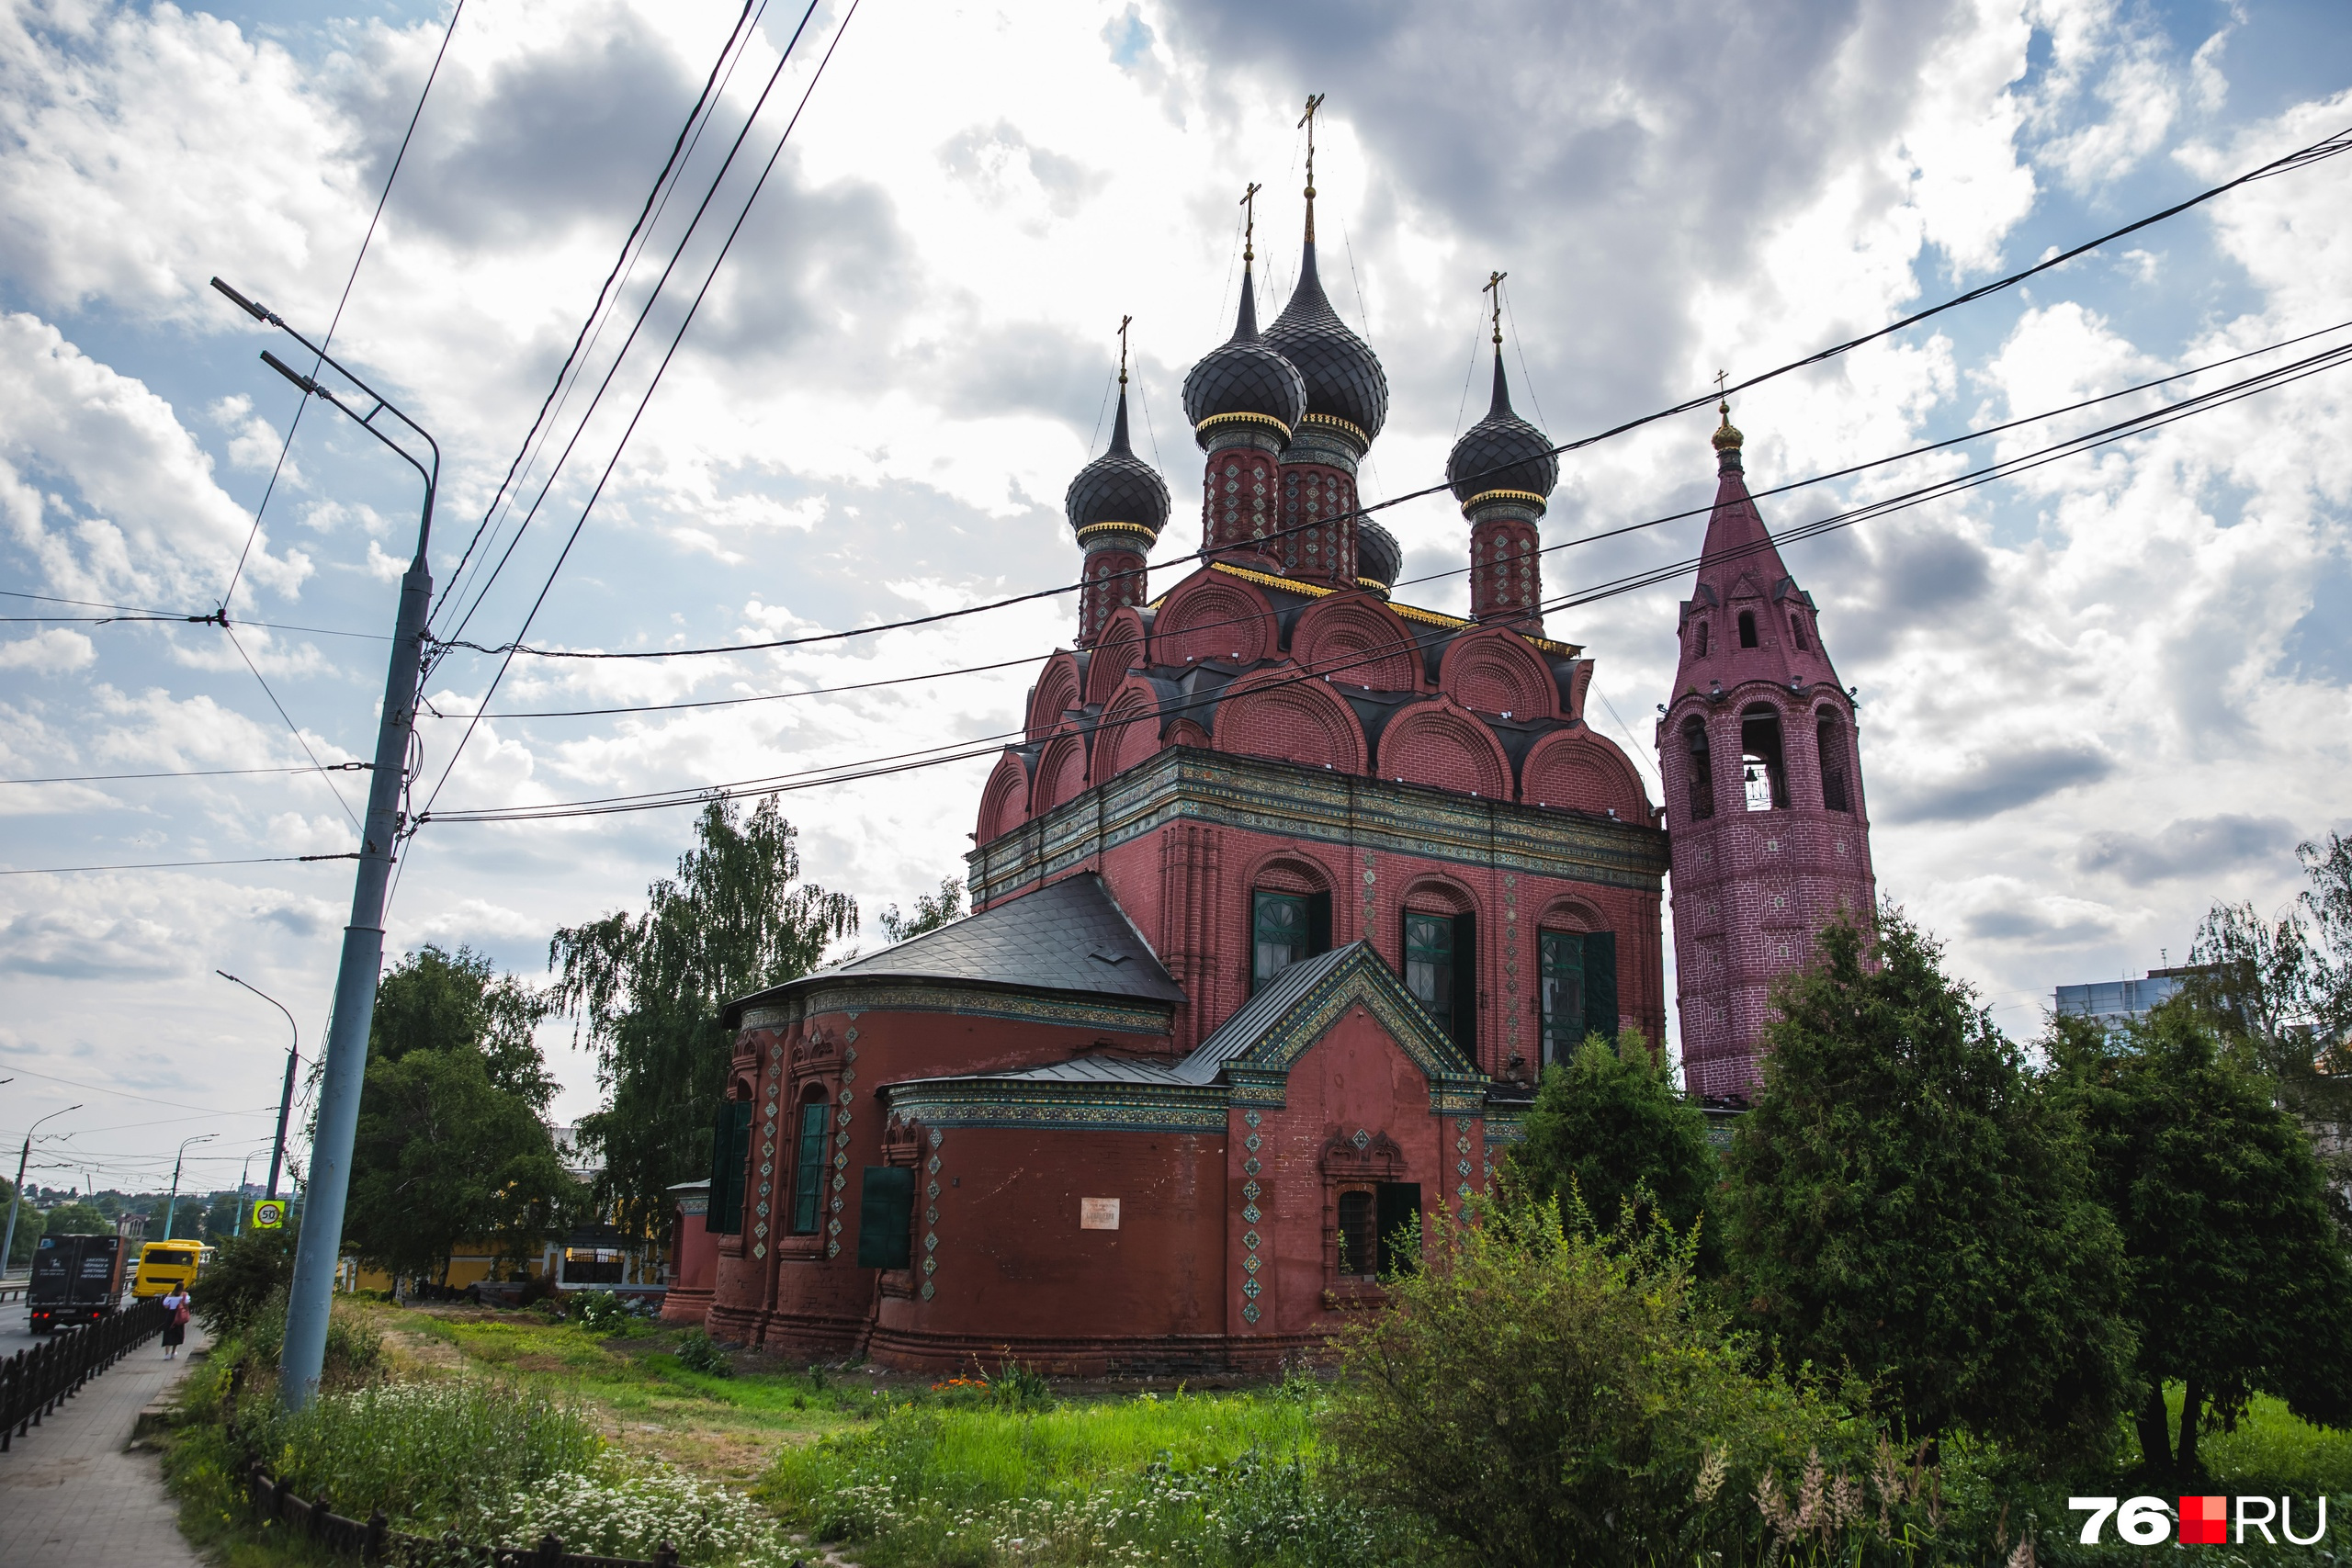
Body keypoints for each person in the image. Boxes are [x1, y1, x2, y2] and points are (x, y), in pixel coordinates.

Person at [160, 1284, 190, 1358]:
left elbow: (165, 1304)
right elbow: (187, 1302)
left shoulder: (170, 1294)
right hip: (179, 1315)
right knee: (177, 1333)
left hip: (171, 1315)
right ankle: (173, 1353)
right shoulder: (184, 1295)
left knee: (168, 1332)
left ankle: (167, 1354)